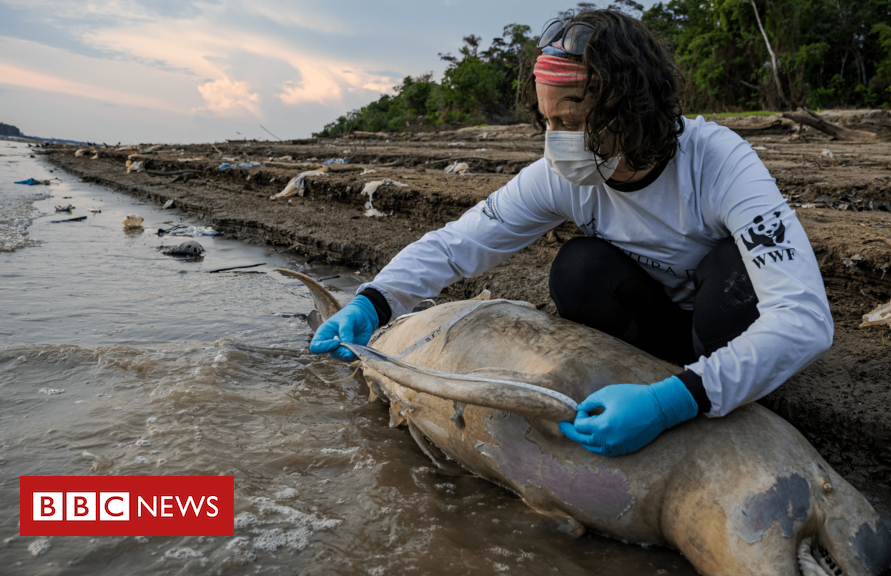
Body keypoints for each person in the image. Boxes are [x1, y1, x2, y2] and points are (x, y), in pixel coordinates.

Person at [310, 9, 832, 457]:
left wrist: (673, 401)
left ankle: (707, 391)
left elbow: (804, 319)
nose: (558, 142)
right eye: (547, 123)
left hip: (724, 325)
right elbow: (460, 243)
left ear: (633, 108)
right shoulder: (562, 176)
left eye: (574, 119)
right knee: (578, 268)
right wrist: (374, 302)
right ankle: (641, 390)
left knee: (735, 269)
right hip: (656, 330)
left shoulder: (719, 163)